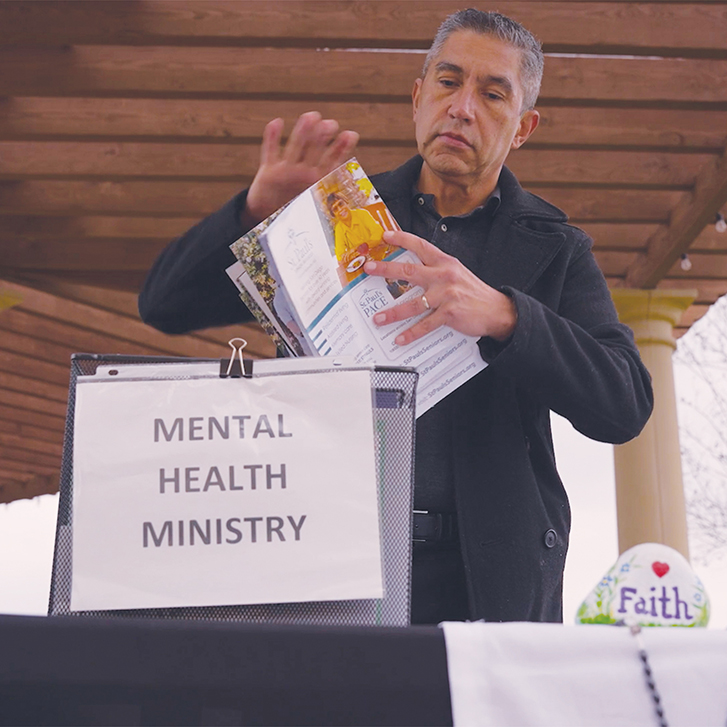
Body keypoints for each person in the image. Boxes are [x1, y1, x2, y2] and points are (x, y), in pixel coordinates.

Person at [139, 9, 653, 624]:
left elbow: (624, 406)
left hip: (485, 582)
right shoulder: (334, 217)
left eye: (493, 94)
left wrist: (508, 318)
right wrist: (257, 211)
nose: (462, 107)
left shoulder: (555, 249)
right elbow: (165, 306)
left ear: (523, 127)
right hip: (329, 562)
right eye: (447, 81)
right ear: (417, 96)